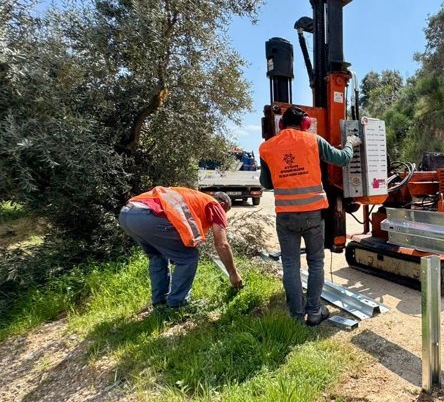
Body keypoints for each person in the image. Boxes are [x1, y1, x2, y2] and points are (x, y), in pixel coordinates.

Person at [259, 106, 362, 326]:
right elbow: (343, 159)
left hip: (285, 216)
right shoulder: (313, 140)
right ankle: (314, 311)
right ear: (305, 124)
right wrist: (351, 143)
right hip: (312, 214)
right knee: (316, 262)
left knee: (290, 264)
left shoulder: (266, 148)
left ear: (281, 125)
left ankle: (296, 316)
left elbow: (266, 183)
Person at [119, 187, 243, 309]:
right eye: (224, 212)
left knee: (158, 256)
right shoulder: (214, 205)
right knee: (188, 257)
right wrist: (233, 273)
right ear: (222, 204)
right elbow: (222, 244)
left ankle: (160, 302)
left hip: (127, 215)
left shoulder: (194, 198)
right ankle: (177, 304)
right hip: (148, 217)